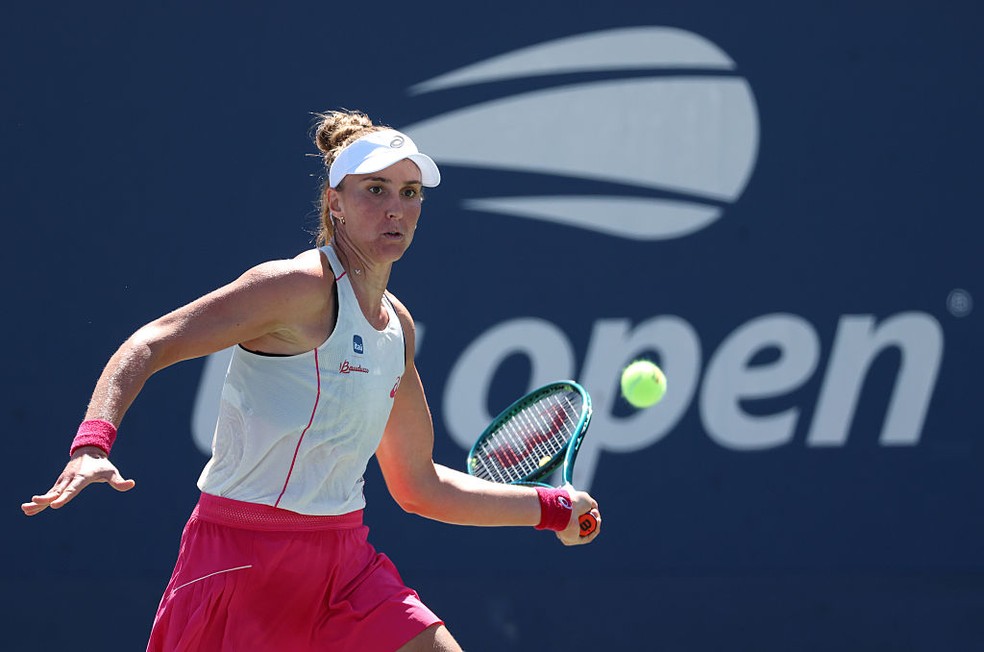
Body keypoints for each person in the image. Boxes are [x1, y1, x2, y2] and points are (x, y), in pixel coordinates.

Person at [21, 109, 601, 652]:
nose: (395, 209)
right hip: (240, 563)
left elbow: (419, 486)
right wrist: (92, 443)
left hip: (346, 568)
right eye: (375, 190)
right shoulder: (295, 287)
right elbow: (151, 342)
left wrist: (551, 507)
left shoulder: (395, 326)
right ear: (335, 202)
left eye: (410, 193)